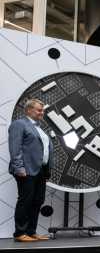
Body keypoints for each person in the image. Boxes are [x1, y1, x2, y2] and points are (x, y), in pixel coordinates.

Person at [8, 98, 53, 242]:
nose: (42, 112)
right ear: (28, 110)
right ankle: (20, 233)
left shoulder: (39, 128)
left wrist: (46, 170)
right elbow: (15, 148)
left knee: (38, 200)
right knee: (25, 200)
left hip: (40, 170)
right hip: (26, 169)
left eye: (42, 110)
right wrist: (19, 167)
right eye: (39, 110)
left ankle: (31, 231)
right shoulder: (19, 124)